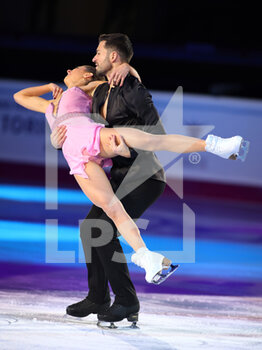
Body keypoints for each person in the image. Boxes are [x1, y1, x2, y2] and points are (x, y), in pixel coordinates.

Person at [14, 34, 249, 325]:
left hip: (144, 175)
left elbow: (153, 126)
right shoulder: (98, 94)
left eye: (99, 52)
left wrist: (131, 71)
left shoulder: (126, 86)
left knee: (100, 229)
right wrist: (56, 135)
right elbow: (62, 106)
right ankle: (98, 296)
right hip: (115, 170)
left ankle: (126, 300)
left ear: (113, 58)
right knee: (91, 229)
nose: (93, 56)